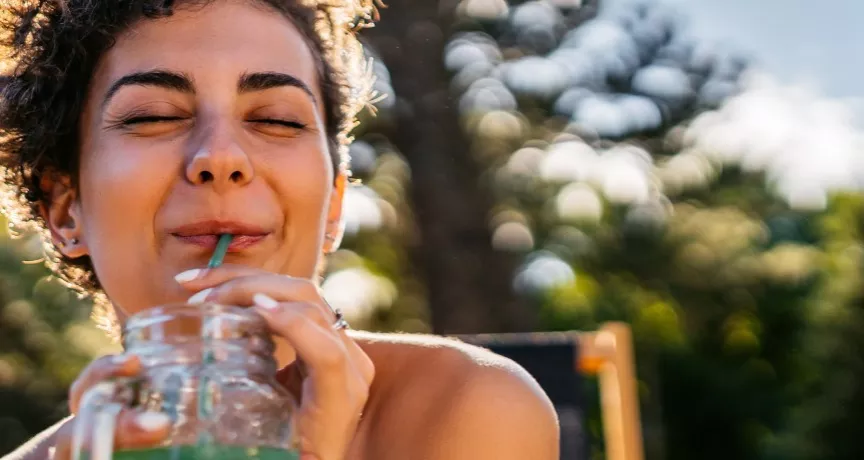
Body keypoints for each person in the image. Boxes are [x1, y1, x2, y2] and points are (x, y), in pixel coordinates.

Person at [0, 0, 559, 459]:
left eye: (276, 119)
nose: (221, 156)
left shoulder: (464, 407)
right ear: (65, 210)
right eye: (154, 116)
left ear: (334, 206)